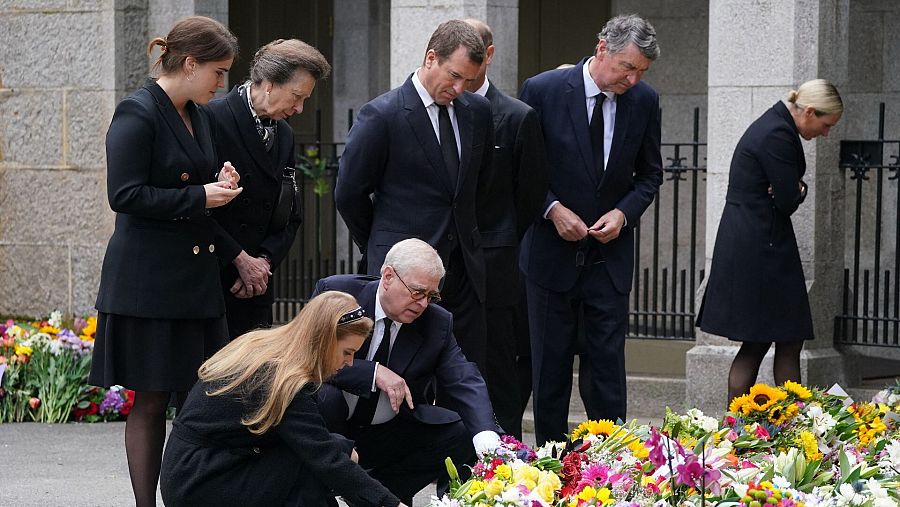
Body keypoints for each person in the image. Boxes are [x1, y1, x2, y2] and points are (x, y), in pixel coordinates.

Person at [89, 16, 241, 507]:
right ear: (189, 63)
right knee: (151, 399)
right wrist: (200, 196)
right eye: (218, 72)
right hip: (149, 284)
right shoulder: (137, 112)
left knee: (200, 399)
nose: (223, 84)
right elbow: (125, 194)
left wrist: (220, 180)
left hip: (194, 282)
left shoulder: (198, 113)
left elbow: (190, 179)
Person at [518, 14, 663, 444]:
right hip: (549, 259)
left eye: (641, 72)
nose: (633, 80)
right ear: (603, 49)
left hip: (609, 261)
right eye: (627, 67)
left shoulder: (644, 101)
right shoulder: (542, 90)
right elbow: (523, 171)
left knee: (607, 373)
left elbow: (650, 175)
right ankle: (548, 464)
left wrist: (623, 214)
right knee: (550, 372)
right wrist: (551, 209)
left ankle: (610, 466)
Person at [334, 20, 493, 372]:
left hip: (464, 270)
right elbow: (349, 193)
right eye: (453, 75)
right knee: (400, 370)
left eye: (468, 80)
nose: (458, 87)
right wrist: (381, 242)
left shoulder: (477, 113)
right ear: (431, 57)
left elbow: (475, 188)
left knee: (463, 371)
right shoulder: (383, 114)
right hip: (405, 273)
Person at [159, 291, 405, 507]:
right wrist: (389, 503)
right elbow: (324, 458)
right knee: (313, 465)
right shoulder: (285, 380)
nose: (349, 363)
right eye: (347, 352)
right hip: (200, 482)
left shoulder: (268, 346)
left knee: (334, 451)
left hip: (186, 469)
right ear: (324, 339)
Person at [312, 238, 502, 506]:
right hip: (329, 428)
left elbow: (464, 377)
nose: (424, 304)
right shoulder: (338, 294)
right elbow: (309, 357)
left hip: (388, 431)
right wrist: (374, 373)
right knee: (324, 395)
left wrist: (486, 436)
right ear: (388, 276)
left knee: (460, 431)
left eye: (431, 296)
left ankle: (377, 496)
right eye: (417, 292)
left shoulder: (436, 321)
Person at [697, 79, 843, 405]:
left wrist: (791, 187)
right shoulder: (778, 134)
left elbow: (785, 192)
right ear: (808, 111)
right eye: (826, 124)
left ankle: (759, 426)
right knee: (773, 341)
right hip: (762, 249)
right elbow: (788, 199)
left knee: (771, 340)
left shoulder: (775, 125)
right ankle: (772, 428)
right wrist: (798, 189)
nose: (826, 133)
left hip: (759, 245)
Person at [208, 39, 332, 339]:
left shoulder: (285, 135)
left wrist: (264, 261)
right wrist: (239, 258)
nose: (300, 108)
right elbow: (194, 206)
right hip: (215, 278)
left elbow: (291, 213)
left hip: (257, 287)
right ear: (270, 85)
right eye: (297, 96)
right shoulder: (212, 119)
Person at [462, 18, 548, 439]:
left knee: (498, 369)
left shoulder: (518, 117)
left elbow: (529, 197)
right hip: (439, 264)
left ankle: (505, 460)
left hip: (495, 266)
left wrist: (497, 238)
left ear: (488, 54)